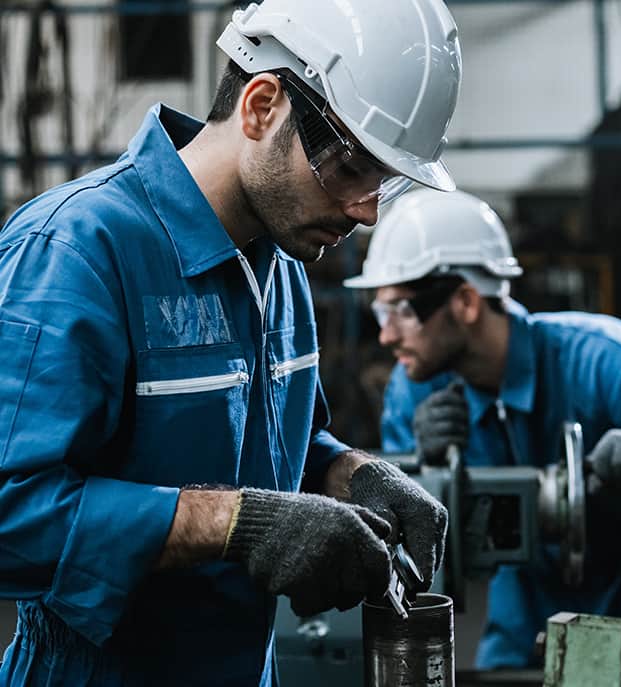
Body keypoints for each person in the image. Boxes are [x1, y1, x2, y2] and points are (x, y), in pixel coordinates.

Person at [0, 2, 462, 685]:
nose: (367, 210)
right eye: (351, 166)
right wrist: (236, 523)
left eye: (383, 179)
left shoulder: (279, 260)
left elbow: (269, 444)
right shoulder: (76, 251)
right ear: (261, 105)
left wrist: (351, 473)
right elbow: (11, 512)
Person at [344, 188, 621, 668]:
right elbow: (409, 549)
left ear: (466, 302)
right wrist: (424, 472)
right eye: (380, 314)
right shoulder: (413, 392)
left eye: (401, 311)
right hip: (520, 647)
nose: (386, 335)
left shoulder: (605, 361)